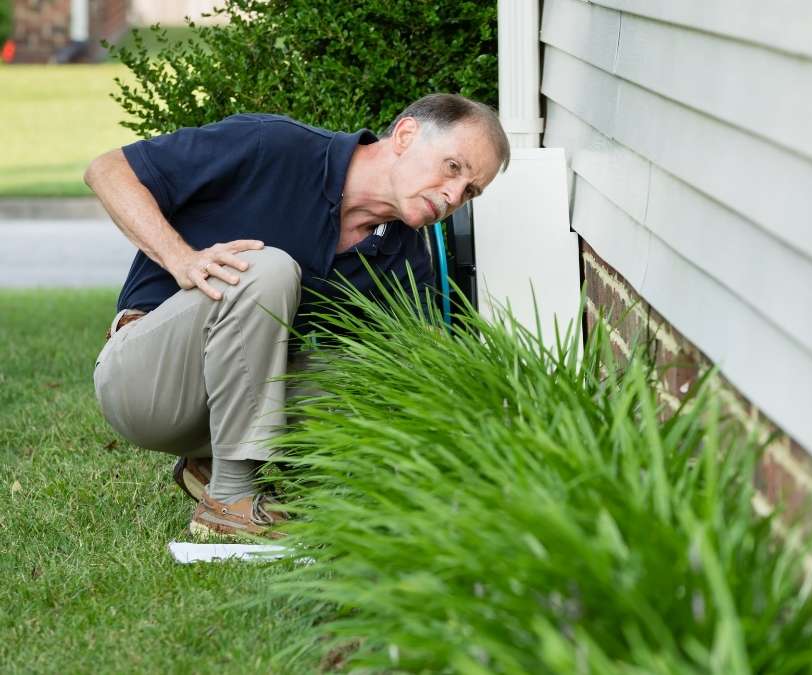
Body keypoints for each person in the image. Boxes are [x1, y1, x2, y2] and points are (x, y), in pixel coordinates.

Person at [86, 94, 508, 539]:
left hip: (221, 409)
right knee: (266, 270)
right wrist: (181, 259)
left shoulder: (403, 260)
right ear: (405, 135)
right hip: (145, 385)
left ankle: (215, 465)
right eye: (453, 168)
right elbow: (107, 170)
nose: (453, 195)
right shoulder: (272, 146)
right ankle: (230, 501)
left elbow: (413, 383)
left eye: (470, 191)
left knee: (396, 372)